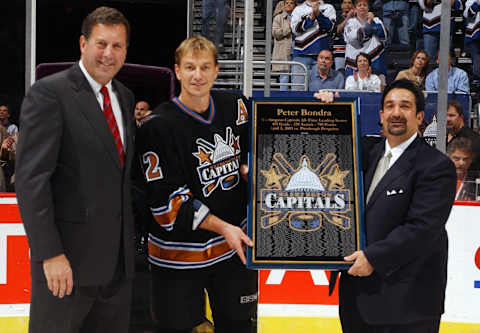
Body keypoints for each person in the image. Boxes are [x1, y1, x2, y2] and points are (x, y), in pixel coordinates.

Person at [15, 7, 136, 333]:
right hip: (66, 268)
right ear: (83, 44)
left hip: (117, 270)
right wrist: (49, 254)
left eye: (117, 46)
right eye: (101, 43)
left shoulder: (124, 97)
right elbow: (31, 181)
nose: (108, 54)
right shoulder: (50, 94)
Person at [135, 35, 257, 333]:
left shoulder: (237, 106)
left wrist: (325, 105)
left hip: (233, 253)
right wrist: (225, 227)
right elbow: (168, 205)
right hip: (177, 260)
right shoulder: (157, 126)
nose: (198, 76)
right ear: (177, 71)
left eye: (205, 67)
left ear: (216, 70)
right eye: (190, 67)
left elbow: (272, 139)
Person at [338, 79, 457, 333]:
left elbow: (421, 229)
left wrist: (373, 257)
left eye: (405, 106)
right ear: (381, 115)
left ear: (420, 116)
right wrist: (328, 106)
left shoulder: (436, 166)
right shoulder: (366, 154)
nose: (396, 113)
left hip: (407, 306)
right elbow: (325, 146)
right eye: (389, 106)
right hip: (356, 298)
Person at [290, 0, 336, 90]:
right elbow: (295, 30)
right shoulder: (298, 9)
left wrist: (319, 14)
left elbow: (330, 28)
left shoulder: (328, 8)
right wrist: (310, 19)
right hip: (301, 55)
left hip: (322, 56)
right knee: (298, 91)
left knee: (319, 92)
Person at [344, 0, 387, 78]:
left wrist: (371, 22)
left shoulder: (376, 20)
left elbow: (384, 35)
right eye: (359, 5)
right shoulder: (350, 22)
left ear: (368, 8)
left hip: (375, 59)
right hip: (354, 60)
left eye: (364, 5)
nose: (362, 7)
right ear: (355, 9)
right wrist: (369, 23)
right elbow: (354, 38)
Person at [446, 99, 480, 172]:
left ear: (461, 117)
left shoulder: (473, 139)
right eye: (444, 116)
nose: (447, 119)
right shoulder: (442, 136)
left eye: (451, 115)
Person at [272, 0, 296, 91]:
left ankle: (295, 98)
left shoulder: (298, 17)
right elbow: (275, 33)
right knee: (284, 76)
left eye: (291, 3)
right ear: (284, 5)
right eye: (287, 3)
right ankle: (283, 96)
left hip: (297, 50)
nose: (289, 4)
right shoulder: (278, 18)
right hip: (284, 51)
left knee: (296, 76)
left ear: (294, 5)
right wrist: (288, 28)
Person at [447, 137, 478, 201]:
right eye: (457, 159)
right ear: (448, 158)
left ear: (471, 160)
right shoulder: (438, 179)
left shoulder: (476, 182)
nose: (461, 163)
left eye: (465, 159)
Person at [333, 0, 355, 70]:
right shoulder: (336, 17)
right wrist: (347, 18)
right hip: (340, 51)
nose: (347, 5)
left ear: (353, 6)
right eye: (345, 3)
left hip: (354, 51)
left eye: (349, 3)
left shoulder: (357, 18)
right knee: (340, 73)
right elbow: (337, 31)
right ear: (341, 5)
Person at [464, 0, 480, 79]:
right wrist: (476, 3)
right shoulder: (471, 1)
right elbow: (467, 14)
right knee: (477, 64)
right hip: (474, 36)